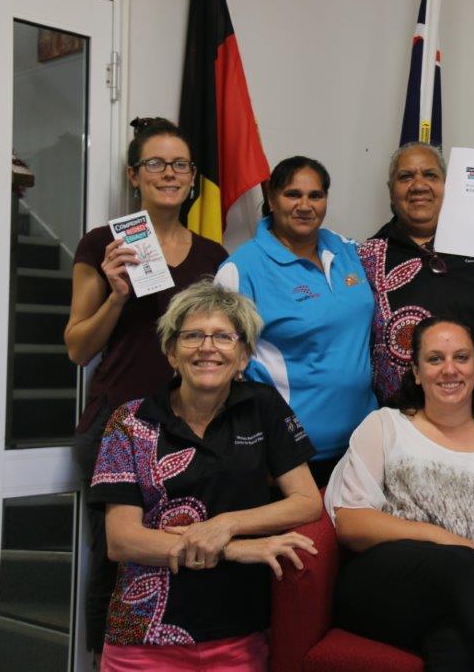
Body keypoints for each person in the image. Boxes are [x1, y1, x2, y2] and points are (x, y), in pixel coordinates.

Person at [89, 281, 323, 671]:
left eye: (223, 337)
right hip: (144, 638)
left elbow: (306, 500)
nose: (207, 347)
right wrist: (231, 548)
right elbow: (122, 541)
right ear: (171, 352)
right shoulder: (129, 421)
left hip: (237, 633)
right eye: (193, 336)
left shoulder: (263, 407)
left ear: (244, 355)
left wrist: (226, 524)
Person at [65, 117, 227, 656]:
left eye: (180, 164)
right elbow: (78, 348)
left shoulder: (213, 257)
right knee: (116, 561)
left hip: (192, 428)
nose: (169, 173)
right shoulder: (103, 243)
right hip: (121, 428)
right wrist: (115, 294)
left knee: (187, 551)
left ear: (193, 178)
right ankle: (106, 664)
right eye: (156, 163)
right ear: (134, 175)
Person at [326, 317, 474, 670]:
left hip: (472, 598)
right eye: (435, 359)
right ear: (416, 371)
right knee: (462, 564)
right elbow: (351, 524)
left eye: (461, 358)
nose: (449, 370)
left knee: (455, 641)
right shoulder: (385, 426)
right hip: (380, 590)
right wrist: (449, 542)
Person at [215, 156, 377, 485]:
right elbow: (220, 364)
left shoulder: (347, 250)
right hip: (291, 454)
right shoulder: (242, 269)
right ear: (272, 200)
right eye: (292, 195)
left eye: (315, 195)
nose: (305, 205)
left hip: (363, 446)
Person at [359, 142, 474, 403]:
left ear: (449, 186)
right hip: (397, 419)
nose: (419, 185)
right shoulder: (365, 258)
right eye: (406, 177)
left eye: (430, 175)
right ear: (391, 191)